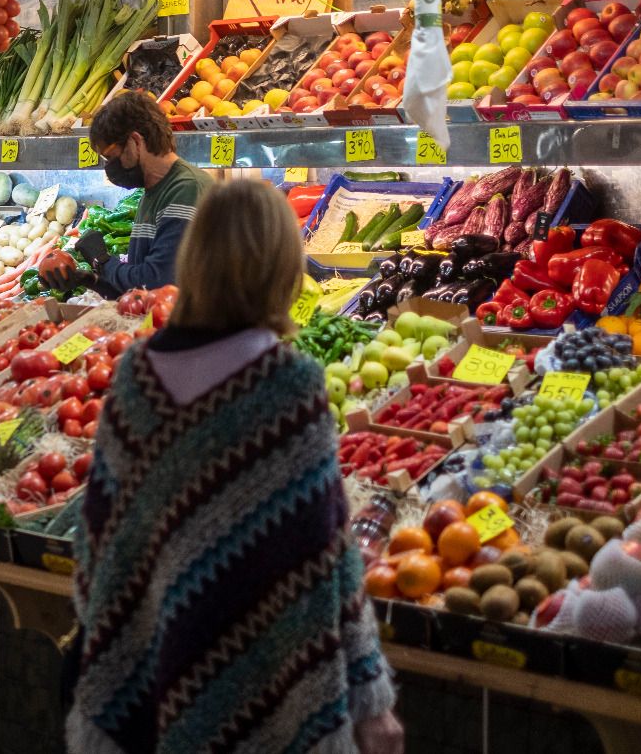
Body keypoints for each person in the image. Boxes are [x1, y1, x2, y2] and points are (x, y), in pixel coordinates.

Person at [68, 179, 403, 754]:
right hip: (270, 677)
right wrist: (370, 695)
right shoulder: (290, 385)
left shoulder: (136, 377)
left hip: (151, 668)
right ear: (280, 268)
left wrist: (114, 622)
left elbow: (98, 536)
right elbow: (328, 557)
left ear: (195, 258)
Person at [38, 91, 208, 297]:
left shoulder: (186, 190)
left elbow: (158, 282)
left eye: (110, 157)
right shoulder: (153, 192)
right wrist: (89, 280)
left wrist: (104, 262)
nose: (109, 167)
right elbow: (140, 293)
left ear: (135, 142)